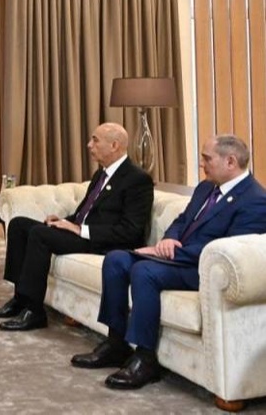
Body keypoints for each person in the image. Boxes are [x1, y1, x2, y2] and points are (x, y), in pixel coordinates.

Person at [71, 134, 266, 390]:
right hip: (177, 258)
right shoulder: (206, 188)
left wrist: (165, 253)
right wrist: (169, 240)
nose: (201, 164)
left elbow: (231, 251)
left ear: (230, 161)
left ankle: (145, 358)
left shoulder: (255, 200)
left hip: (201, 270)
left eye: (207, 159)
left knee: (144, 271)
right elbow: (182, 221)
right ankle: (116, 343)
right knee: (116, 259)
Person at [0, 122, 154, 331]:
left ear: (114, 145)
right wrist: (64, 221)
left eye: (95, 140)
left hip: (104, 242)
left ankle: (35, 311)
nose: (89, 145)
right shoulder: (101, 174)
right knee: (19, 225)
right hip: (82, 233)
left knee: (39, 235)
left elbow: (130, 231)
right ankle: (20, 299)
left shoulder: (138, 179)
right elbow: (86, 212)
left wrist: (80, 230)